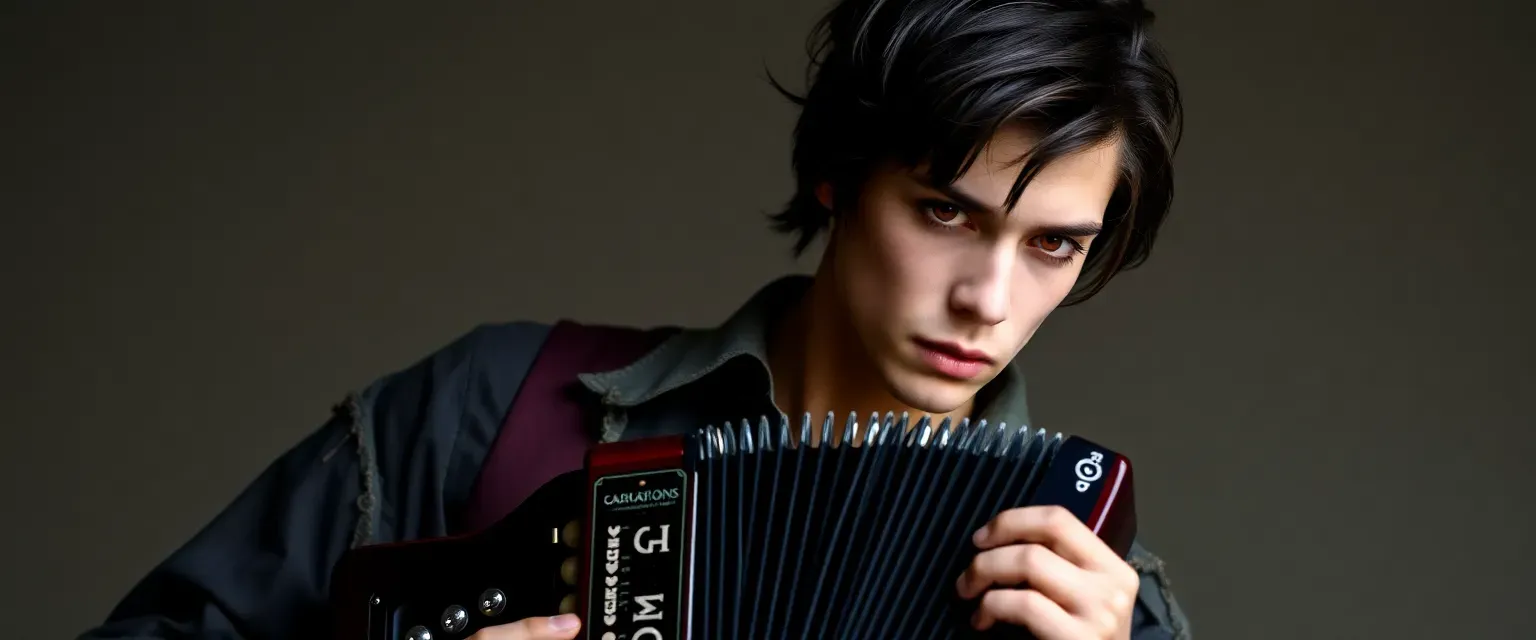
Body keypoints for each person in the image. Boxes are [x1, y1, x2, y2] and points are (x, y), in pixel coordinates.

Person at [79, 0, 1189, 638]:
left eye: (1054, 243)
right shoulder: (492, 407)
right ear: (841, 181)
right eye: (945, 210)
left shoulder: (1103, 594)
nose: (989, 301)